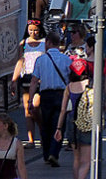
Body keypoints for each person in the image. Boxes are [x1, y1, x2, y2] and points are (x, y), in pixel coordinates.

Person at [28, 31, 70, 167]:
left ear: (48, 43)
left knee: (45, 125)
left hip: (45, 96)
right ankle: (54, 152)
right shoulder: (66, 60)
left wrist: (30, 101)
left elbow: (34, 81)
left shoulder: (41, 60)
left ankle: (46, 154)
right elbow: (71, 79)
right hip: (61, 95)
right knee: (59, 125)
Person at [54, 56, 92, 179]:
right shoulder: (90, 85)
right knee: (86, 160)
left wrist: (59, 128)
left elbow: (63, 110)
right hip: (86, 122)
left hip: (72, 121)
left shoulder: (69, 87)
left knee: (76, 158)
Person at [12, 19, 44, 149]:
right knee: (27, 110)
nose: (33, 32)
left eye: (35, 30)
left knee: (36, 107)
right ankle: (31, 140)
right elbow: (20, 61)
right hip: (26, 77)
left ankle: (43, 133)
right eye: (30, 30)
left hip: (40, 79)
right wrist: (14, 80)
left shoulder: (44, 43)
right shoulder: (24, 43)